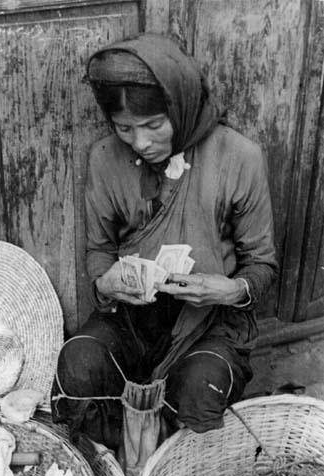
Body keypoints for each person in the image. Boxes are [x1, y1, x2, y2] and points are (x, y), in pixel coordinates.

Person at [51, 33, 278, 453]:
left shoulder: (239, 158)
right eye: (124, 128)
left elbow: (262, 264)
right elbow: (99, 252)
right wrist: (106, 283)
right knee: (78, 363)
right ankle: (118, 461)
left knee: (200, 386)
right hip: (134, 316)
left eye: (154, 125)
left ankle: (172, 467)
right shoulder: (104, 158)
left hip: (211, 318)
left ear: (181, 105)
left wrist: (227, 289)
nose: (140, 142)